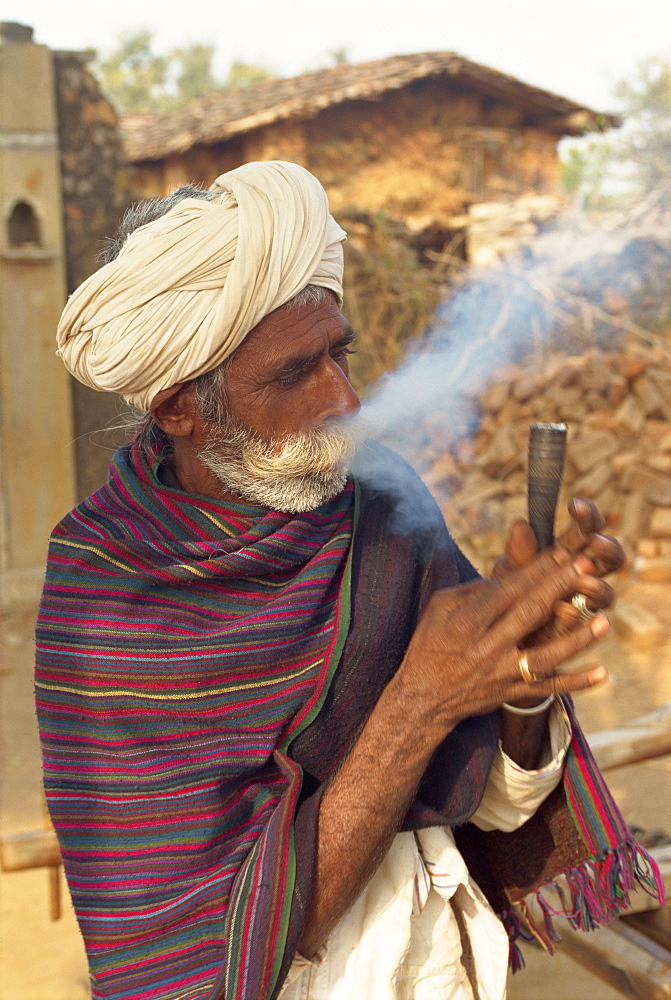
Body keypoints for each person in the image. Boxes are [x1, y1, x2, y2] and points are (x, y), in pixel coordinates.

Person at [36, 161, 663, 1000]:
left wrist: (518, 675)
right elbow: (195, 956)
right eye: (295, 374)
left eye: (341, 354)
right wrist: (421, 701)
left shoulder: (374, 505)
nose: (346, 398)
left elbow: (497, 807)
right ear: (181, 408)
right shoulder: (107, 589)